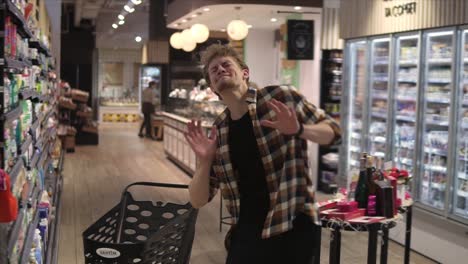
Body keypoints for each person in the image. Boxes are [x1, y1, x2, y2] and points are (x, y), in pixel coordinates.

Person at [184, 44, 341, 264]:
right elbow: (197, 199)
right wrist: (205, 161)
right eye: (214, 70)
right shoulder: (219, 130)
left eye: (226, 64)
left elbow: (334, 133)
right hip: (247, 229)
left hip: (293, 223)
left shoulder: (280, 98)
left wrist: (300, 130)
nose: (220, 69)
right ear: (212, 88)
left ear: (244, 73)